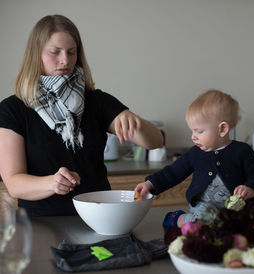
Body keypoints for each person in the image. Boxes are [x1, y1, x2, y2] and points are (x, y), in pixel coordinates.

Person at [0, 15, 163, 217]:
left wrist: (134, 121)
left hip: (101, 219)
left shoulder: (96, 101)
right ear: (36, 55)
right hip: (43, 225)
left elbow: (155, 141)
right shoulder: (12, 109)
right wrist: (51, 183)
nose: (65, 60)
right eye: (55, 52)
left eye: (71, 52)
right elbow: (14, 183)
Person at [135, 89, 254, 228]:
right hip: (203, 207)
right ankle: (177, 218)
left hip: (236, 209)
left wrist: (250, 189)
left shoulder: (243, 151)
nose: (193, 136)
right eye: (192, 131)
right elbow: (173, 172)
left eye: (199, 131)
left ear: (222, 129)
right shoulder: (195, 153)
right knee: (202, 224)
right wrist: (150, 184)